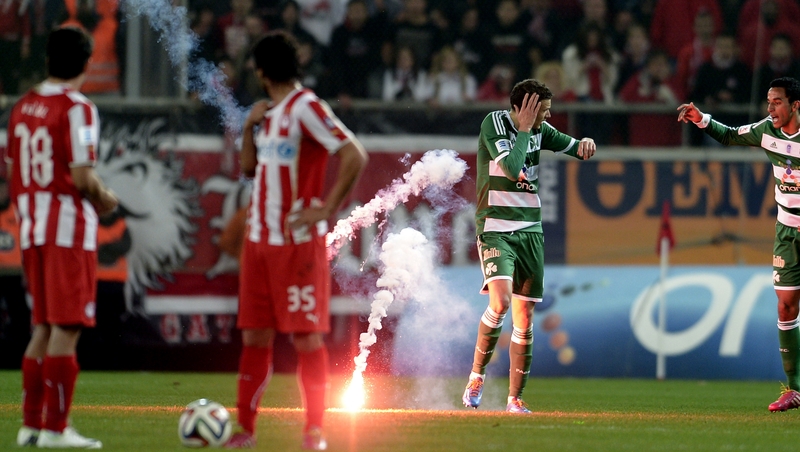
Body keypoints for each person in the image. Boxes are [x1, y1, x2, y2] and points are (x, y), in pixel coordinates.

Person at [226, 30, 368, 450]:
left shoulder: (306, 108)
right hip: (258, 242)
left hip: (296, 243)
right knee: (254, 337)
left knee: (306, 338)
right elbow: (250, 169)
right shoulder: (269, 114)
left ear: (260, 70)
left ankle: (314, 431)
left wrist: (326, 208)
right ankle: (246, 432)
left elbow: (354, 154)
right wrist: (250, 127)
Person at [6, 26, 118, 448]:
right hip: (67, 230)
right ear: (87, 64)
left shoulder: (22, 106)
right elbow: (83, 177)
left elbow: (14, 169)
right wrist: (106, 198)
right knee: (66, 328)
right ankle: (56, 429)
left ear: (47, 59)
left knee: (42, 326)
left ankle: (31, 426)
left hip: (32, 229)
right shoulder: (78, 108)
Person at [463, 78, 596, 413]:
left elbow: (576, 148)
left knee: (525, 314)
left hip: (530, 230)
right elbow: (509, 169)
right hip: (495, 227)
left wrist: (586, 144)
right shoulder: (494, 123)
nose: (548, 118)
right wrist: (523, 129)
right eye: (544, 111)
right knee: (502, 301)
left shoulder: (540, 131)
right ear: (526, 109)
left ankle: (514, 399)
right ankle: (476, 376)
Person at [677, 76, 800, 412]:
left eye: (777, 102)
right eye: (768, 102)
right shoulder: (767, 131)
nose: (770, 108)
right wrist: (700, 118)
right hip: (788, 231)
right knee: (786, 305)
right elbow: (731, 136)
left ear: (795, 105)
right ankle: (795, 388)